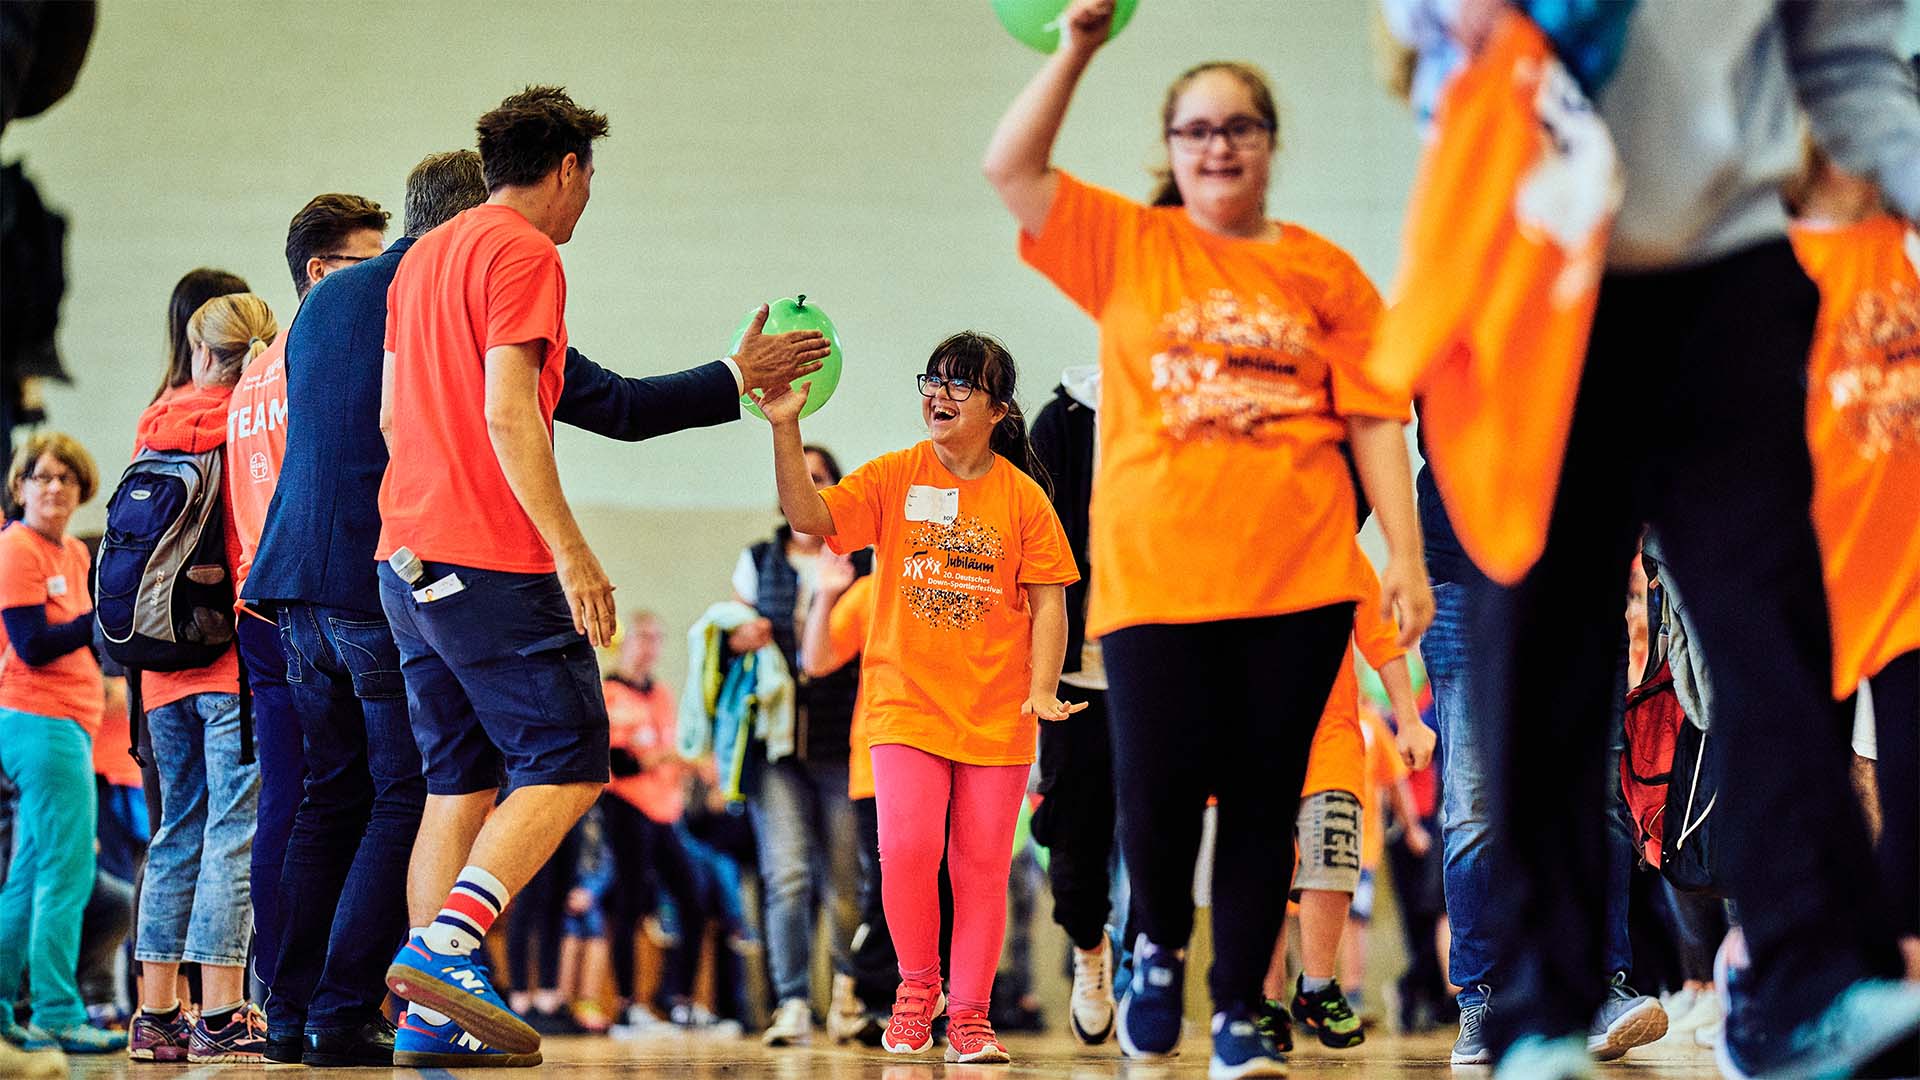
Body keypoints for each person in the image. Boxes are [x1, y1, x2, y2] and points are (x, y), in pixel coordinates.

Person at [244, 143, 826, 1068]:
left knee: (359, 800)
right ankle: (408, 971)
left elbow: (570, 401)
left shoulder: (328, 306)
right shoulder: (481, 275)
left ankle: (309, 1016)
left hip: (304, 583)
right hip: (430, 565)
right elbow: (535, 412)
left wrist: (730, 376)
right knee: (469, 779)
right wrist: (573, 551)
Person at [1420, 4, 1920, 1077]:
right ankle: (1540, 1012)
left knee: (1773, 630)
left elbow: (1849, 64)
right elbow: (1429, 49)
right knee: (1543, 643)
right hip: (1536, 257)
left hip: (1730, 262)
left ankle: (1808, 983)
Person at [984, 1, 1433, 1073]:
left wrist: (1406, 557)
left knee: (1266, 803)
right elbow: (1010, 167)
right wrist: (1077, 50)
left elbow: (1376, 418)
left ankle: (1239, 1007)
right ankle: (1154, 949)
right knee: (1160, 791)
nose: (1217, 145)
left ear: (1270, 143)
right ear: (1171, 151)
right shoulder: (1129, 245)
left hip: (1298, 582)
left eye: (1237, 127)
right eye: (1195, 130)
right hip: (1155, 585)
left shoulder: (1326, 275)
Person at [757, 330, 1080, 1065]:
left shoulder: (1024, 498)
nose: (939, 393)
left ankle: (968, 1016)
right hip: (905, 705)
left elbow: (1051, 601)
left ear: (999, 408)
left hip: (997, 713)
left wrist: (1041, 688)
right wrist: (785, 427)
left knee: (979, 870)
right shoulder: (893, 477)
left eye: (960, 384)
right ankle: (915, 989)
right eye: (931, 379)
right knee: (904, 851)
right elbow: (811, 519)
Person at [229, 191, 389, 1014]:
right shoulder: (318, 356)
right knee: (348, 801)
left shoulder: (254, 371)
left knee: (301, 802)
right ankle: (324, 992)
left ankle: (285, 996)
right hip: (322, 599)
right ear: (320, 272)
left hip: (267, 603)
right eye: (370, 264)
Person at [1785, 146, 1920, 983]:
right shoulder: (1773, 266)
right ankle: (1790, 968)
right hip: (1810, 576)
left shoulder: (1907, 246)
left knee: (1910, 778)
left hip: (1909, 578)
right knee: (1811, 794)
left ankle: (1904, 967)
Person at [129, 293, 275, 1064]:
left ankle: (156, 1016)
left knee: (175, 829)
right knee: (232, 834)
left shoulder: (153, 428)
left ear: (195, 352)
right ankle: (221, 1013)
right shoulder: (247, 423)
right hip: (228, 662)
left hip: (157, 671)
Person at [1260, 564, 1435, 1052]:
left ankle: (1318, 985)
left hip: (1330, 733)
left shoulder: (1341, 553)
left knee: (1333, 857)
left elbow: (1383, 637)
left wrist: (1406, 719)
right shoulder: (1231, 533)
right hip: (1252, 735)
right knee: (1260, 869)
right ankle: (1266, 1000)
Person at [726, 444, 866, 1048]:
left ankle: (849, 995)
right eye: (798, 478)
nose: (806, 486)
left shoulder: (862, 563)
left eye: (819, 478)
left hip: (843, 742)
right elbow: (724, 635)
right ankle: (789, 1003)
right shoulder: (758, 560)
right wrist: (738, 637)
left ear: (833, 490)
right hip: (774, 746)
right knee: (784, 877)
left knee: (846, 880)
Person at [0, 432, 122, 1054]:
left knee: (27, 876)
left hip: (66, 723)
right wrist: (98, 620)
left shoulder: (75, 551)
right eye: (43, 477)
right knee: (67, 874)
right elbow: (32, 644)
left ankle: (2, 1009)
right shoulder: (17, 548)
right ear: (20, 486)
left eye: (67, 480)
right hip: (39, 723)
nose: (54, 488)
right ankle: (56, 1010)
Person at [1025, 363, 1125, 1047]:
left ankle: (1156, 963)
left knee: (1163, 833)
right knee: (1074, 845)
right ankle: (1091, 951)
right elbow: (1031, 544)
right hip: (1075, 675)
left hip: (1161, 666)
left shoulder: (1182, 407)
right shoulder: (1061, 422)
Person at [597, 610, 708, 1028]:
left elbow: (671, 748)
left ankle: (678, 999)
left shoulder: (661, 693)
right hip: (625, 806)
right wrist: (663, 758)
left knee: (693, 900)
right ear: (625, 642)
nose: (650, 646)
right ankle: (628, 1006)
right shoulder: (610, 692)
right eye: (643, 636)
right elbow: (618, 761)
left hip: (665, 809)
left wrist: (690, 766)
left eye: (657, 638)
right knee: (630, 901)